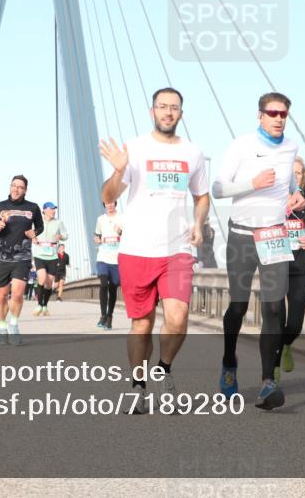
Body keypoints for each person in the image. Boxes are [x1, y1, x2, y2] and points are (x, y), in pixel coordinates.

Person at [99, 87, 209, 412]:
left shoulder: (193, 152)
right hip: (136, 249)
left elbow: (202, 196)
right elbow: (108, 195)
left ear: (181, 114)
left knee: (177, 318)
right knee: (142, 325)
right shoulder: (134, 148)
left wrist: (199, 223)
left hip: (177, 249)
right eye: (162, 106)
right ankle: (138, 385)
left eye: (174, 107)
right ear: (152, 112)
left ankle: (164, 369)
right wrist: (120, 169)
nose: (168, 112)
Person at [212, 92, 305, 410]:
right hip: (241, 236)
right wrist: (252, 183)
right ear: (260, 115)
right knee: (237, 307)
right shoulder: (241, 145)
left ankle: (267, 383)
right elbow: (218, 188)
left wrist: (297, 194)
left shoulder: (291, 147)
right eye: (273, 112)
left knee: (274, 310)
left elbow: (286, 184)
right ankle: (229, 364)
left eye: (283, 114)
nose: (279, 118)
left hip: (274, 237)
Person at [278, 156, 305, 380]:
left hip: (299, 265)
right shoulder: (272, 199)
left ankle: (287, 344)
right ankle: (273, 367)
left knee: (295, 322)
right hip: (276, 265)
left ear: (302, 177)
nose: (294, 177)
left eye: (297, 174)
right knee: (277, 318)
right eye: (290, 172)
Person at [0, 175, 44, 344]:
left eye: (20, 187)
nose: (16, 189)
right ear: (10, 187)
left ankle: (14, 324)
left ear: (25, 190)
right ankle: (2, 326)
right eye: (14, 186)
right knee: (2, 295)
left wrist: (35, 233)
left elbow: (39, 226)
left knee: (17, 294)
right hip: (2, 256)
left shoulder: (32, 208)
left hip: (22, 256)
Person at [31, 202, 68, 315]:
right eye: (51, 209)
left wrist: (61, 236)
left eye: (54, 209)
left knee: (49, 283)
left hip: (52, 255)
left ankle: (45, 306)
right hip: (39, 254)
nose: (53, 211)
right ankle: (39, 305)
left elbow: (66, 235)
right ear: (44, 210)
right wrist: (32, 237)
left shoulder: (58, 222)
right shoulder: (36, 221)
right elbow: (29, 232)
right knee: (41, 279)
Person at [93, 201, 123, 329]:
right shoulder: (100, 219)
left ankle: (110, 316)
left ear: (115, 203)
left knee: (113, 287)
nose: (109, 205)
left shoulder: (122, 218)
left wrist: (121, 232)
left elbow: (131, 236)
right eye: (107, 203)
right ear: (104, 205)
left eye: (111, 203)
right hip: (103, 257)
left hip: (117, 259)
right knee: (104, 283)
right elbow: (97, 236)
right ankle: (103, 315)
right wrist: (97, 239)